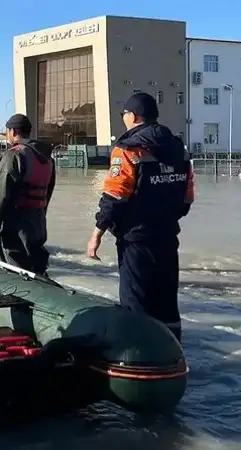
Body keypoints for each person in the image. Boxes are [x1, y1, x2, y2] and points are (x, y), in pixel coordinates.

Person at [86, 92, 194, 342]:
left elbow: (114, 196)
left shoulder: (127, 149)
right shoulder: (178, 148)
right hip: (168, 237)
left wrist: (97, 234)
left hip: (136, 241)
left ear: (133, 116)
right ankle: (172, 353)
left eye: (124, 114)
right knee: (167, 304)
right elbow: (187, 197)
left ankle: (138, 355)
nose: (123, 118)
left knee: (136, 303)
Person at [0, 113, 56, 275]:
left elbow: (0, 194)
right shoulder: (48, 159)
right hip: (38, 222)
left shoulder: (13, 155)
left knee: (16, 269)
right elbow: (48, 192)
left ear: (12, 131)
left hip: (16, 224)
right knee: (37, 266)